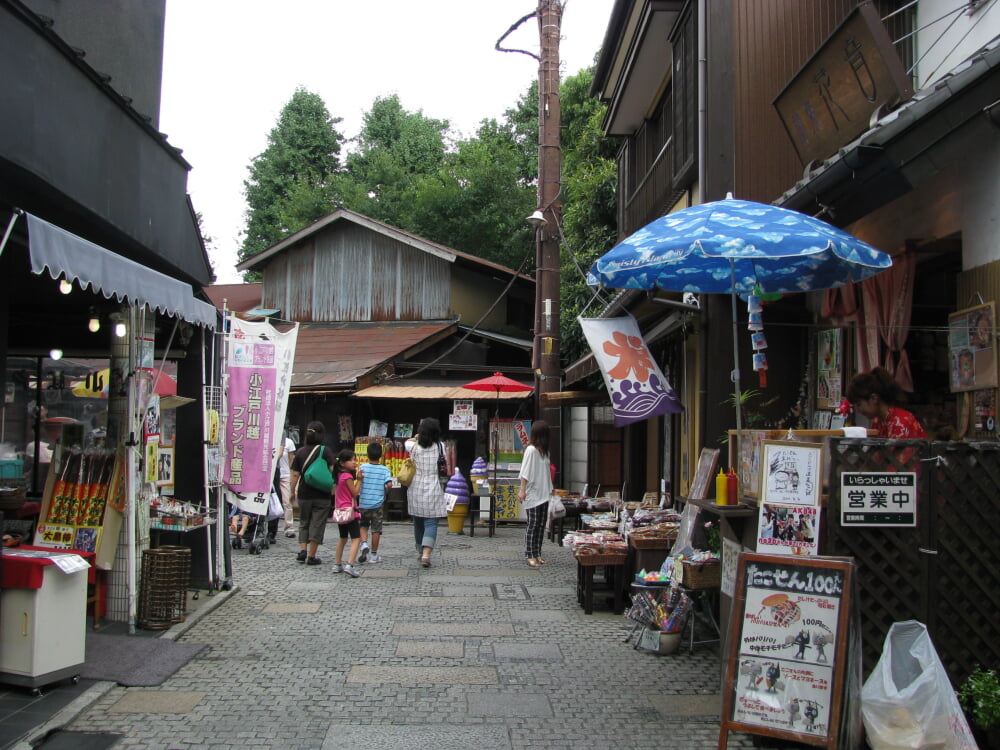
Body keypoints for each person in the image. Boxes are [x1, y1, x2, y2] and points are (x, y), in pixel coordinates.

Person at [289, 421, 336, 565]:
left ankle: (303, 550)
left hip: (304, 493)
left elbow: (295, 475)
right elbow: (332, 470)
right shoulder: (325, 451)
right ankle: (311, 556)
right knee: (317, 523)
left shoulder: (300, 452)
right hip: (322, 494)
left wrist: (292, 492)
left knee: (304, 522)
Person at [404, 417, 448, 568]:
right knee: (431, 522)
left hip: (416, 486)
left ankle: (419, 550)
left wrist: (417, 437)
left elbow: (407, 442)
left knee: (418, 521)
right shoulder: (441, 446)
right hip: (434, 486)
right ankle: (427, 554)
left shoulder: (412, 446)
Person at [846, 367, 927, 439]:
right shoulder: (878, 421)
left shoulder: (900, 422)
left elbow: (897, 455)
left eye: (859, 404)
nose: (858, 410)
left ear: (874, 398)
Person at [517, 419, 553, 568]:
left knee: (540, 525)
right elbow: (525, 472)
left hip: (544, 492)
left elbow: (546, 473)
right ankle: (529, 554)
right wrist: (522, 490)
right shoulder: (531, 450)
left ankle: (537, 553)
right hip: (533, 493)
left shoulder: (545, 452)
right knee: (533, 524)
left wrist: (551, 488)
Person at [357, 442, 392, 563]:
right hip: (377, 504)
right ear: (381, 455)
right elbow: (389, 484)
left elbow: (358, 481)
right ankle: (373, 555)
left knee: (363, 525)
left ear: (367, 454)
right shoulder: (384, 470)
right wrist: (385, 492)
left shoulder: (362, 468)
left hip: (364, 502)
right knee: (376, 529)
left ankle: (364, 543)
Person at [331, 449, 362, 578]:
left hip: (340, 511)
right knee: (356, 538)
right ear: (343, 463)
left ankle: (337, 563)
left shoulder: (338, 476)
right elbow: (355, 492)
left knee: (343, 538)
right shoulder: (347, 476)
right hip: (350, 511)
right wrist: (359, 480)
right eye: (351, 460)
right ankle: (350, 564)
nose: (354, 462)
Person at [278, 432, 297, 537]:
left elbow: (291, 459)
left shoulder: (288, 442)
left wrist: (291, 474)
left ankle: (289, 527)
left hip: (284, 474)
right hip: (271, 475)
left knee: (287, 501)